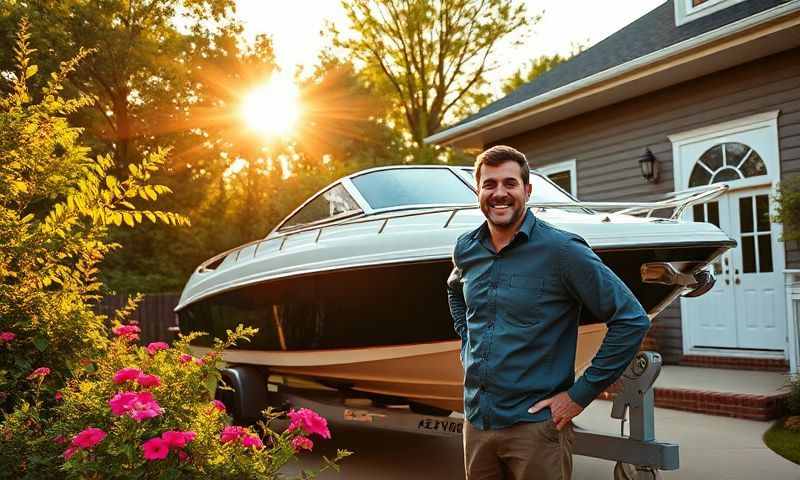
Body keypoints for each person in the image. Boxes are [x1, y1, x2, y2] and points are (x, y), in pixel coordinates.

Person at [447, 145, 651, 480]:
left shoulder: (563, 251)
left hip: (536, 430)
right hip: (477, 424)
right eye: (490, 184)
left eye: (510, 184)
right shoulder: (466, 248)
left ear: (527, 190)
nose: (500, 193)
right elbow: (455, 289)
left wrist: (579, 396)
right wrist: (468, 342)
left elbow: (631, 319)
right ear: (478, 192)